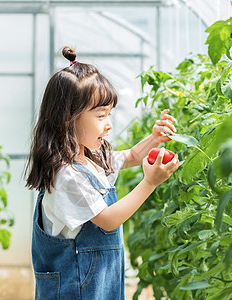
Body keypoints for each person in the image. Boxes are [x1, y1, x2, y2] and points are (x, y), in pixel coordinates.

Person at [25, 46, 180, 300]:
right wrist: (149, 183)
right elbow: (108, 220)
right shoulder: (67, 176)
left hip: (99, 284)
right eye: (101, 115)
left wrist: (154, 139)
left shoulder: (91, 160)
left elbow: (130, 157)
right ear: (68, 118)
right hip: (77, 289)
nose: (109, 124)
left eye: (109, 114)